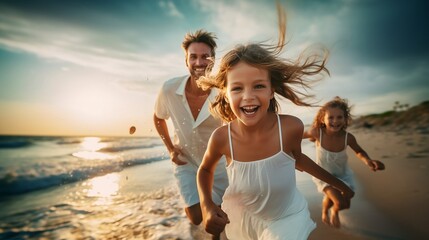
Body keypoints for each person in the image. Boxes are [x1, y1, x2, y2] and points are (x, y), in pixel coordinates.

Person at [196, 6, 354, 239]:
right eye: (237, 88)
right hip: (242, 217)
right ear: (226, 95)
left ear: (271, 91)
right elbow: (205, 169)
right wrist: (207, 206)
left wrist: (338, 183)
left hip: (286, 217)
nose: (248, 96)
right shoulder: (222, 137)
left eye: (258, 85)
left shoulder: (290, 127)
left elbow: (298, 160)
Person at [153, 29, 228, 239]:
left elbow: (235, 126)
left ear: (213, 60)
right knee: (196, 217)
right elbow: (158, 118)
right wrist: (170, 149)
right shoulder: (169, 89)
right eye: (193, 57)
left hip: (218, 164)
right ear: (186, 61)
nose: (199, 62)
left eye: (205, 56)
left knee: (220, 214)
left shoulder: (224, 92)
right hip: (186, 162)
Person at [303, 96, 385, 228]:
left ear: (345, 119)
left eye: (339, 117)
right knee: (340, 202)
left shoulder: (348, 138)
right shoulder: (317, 133)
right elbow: (295, 136)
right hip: (324, 176)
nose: (335, 121)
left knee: (346, 205)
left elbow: (359, 151)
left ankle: (333, 207)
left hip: (342, 175)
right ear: (322, 119)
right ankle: (328, 211)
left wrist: (368, 161)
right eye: (331, 117)